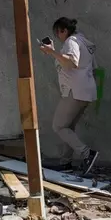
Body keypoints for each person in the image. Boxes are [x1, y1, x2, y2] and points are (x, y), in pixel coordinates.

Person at [39, 17, 99, 175]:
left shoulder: (71, 42)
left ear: (63, 30)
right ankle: (66, 162)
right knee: (68, 127)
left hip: (75, 91)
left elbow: (72, 62)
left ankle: (87, 154)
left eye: (58, 32)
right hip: (85, 91)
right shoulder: (83, 41)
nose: (57, 36)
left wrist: (51, 52)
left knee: (58, 126)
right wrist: (54, 52)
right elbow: (93, 68)